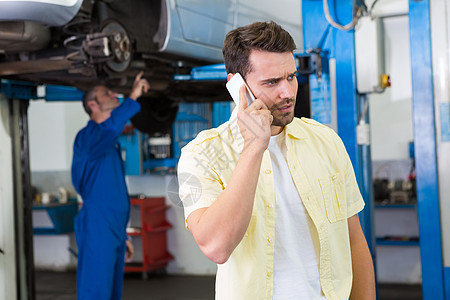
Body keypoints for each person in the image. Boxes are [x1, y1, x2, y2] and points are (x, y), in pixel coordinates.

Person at [177, 21, 376, 299]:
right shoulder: (202, 154)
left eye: (291, 77)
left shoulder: (326, 142)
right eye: (272, 82)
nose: (288, 93)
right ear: (237, 86)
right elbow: (216, 247)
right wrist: (253, 149)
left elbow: (354, 239)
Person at [71, 72, 150, 299]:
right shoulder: (88, 138)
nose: (115, 94)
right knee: (95, 292)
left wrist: (123, 235)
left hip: (112, 228)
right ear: (92, 104)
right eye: (107, 93)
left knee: (112, 293)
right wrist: (132, 97)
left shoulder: (109, 141)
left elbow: (113, 191)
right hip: (97, 226)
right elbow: (110, 127)